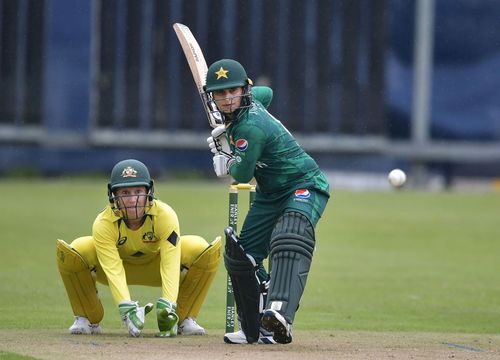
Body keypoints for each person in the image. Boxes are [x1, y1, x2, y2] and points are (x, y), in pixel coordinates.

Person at [205, 59, 330, 344]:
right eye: (220, 93)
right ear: (211, 96)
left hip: (304, 184)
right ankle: (254, 324)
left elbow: (243, 174)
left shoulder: (250, 129)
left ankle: (279, 314)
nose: (226, 99)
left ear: (244, 90)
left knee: (290, 235)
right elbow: (268, 94)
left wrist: (226, 159)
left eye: (232, 91)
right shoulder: (252, 101)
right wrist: (228, 132)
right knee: (242, 256)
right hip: (270, 194)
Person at [56, 159, 221, 337]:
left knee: (200, 248)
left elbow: (170, 263)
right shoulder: (103, 223)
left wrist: (169, 304)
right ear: (113, 195)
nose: (133, 199)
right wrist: (126, 307)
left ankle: (183, 318)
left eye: (138, 191)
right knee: (77, 248)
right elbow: (113, 269)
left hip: (155, 268)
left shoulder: (165, 215)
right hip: (111, 269)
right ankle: (87, 318)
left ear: (148, 192)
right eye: (125, 192)